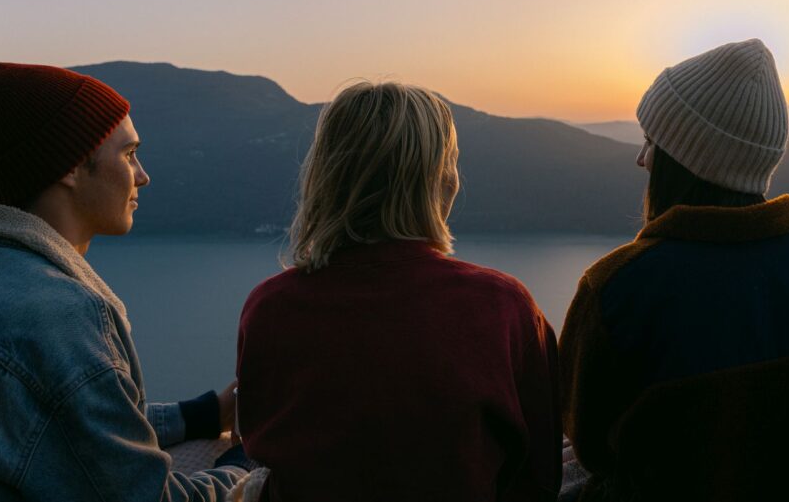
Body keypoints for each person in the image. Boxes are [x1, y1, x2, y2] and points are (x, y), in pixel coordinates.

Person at [558, 39, 789, 501]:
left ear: (683, 158)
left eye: (651, 142)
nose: (641, 158)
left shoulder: (620, 288)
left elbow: (590, 444)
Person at [0, 63, 249, 501]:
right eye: (129, 154)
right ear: (71, 164)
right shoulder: (64, 317)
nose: (143, 175)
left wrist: (205, 413)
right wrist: (246, 463)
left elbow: (53, 422)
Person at [235, 81, 561, 501]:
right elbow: (539, 475)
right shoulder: (502, 307)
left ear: (326, 177)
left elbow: (259, 441)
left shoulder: (270, 308)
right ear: (438, 181)